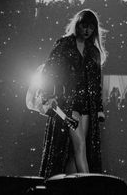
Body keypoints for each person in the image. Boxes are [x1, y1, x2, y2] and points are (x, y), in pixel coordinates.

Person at [26, 9, 107, 180]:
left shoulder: (93, 51)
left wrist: (99, 108)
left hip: (87, 106)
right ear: (77, 25)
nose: (87, 31)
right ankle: (90, 185)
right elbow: (49, 71)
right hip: (67, 104)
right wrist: (49, 96)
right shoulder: (63, 45)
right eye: (84, 26)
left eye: (91, 28)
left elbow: (96, 83)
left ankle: (71, 185)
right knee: (80, 148)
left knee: (75, 151)